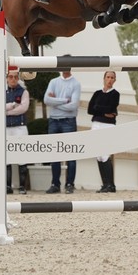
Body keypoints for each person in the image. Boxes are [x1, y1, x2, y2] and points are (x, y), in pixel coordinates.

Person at [43, 62, 82, 194]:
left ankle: (70, 183)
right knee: (54, 153)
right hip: (54, 121)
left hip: (68, 122)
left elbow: (74, 106)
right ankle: (55, 183)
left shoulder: (76, 84)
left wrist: (56, 103)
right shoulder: (53, 81)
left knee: (70, 153)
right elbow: (46, 100)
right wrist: (65, 100)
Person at [88, 71, 120, 193]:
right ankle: (104, 184)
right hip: (96, 124)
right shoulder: (97, 93)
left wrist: (98, 108)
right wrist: (104, 111)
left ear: (114, 80)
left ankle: (111, 184)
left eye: (112, 78)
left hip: (108, 125)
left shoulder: (115, 94)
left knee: (105, 154)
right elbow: (91, 109)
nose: (110, 80)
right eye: (108, 77)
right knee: (98, 155)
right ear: (104, 78)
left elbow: (112, 108)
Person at [5, 67, 30, 195]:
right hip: (6, 128)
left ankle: (22, 187)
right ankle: (8, 186)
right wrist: (13, 105)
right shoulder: (2, 92)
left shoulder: (24, 92)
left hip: (20, 127)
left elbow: (23, 108)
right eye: (11, 77)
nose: (13, 79)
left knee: (22, 156)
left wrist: (7, 110)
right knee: (6, 158)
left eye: (15, 77)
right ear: (7, 78)